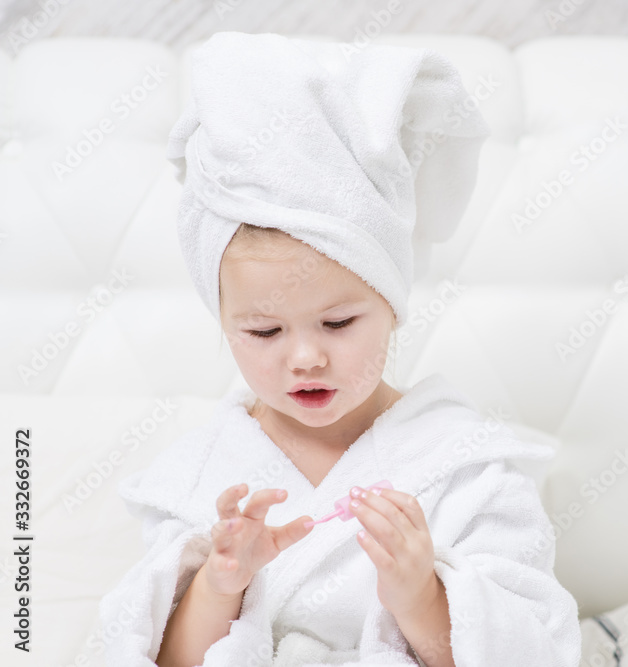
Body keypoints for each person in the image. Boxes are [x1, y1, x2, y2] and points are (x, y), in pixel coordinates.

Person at [96, 31, 581, 667]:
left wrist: (421, 598)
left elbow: (534, 652)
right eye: (264, 332)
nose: (305, 358)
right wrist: (219, 584)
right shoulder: (198, 476)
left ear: (391, 308)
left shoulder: (466, 468)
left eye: (338, 322)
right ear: (224, 322)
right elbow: (158, 657)